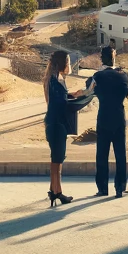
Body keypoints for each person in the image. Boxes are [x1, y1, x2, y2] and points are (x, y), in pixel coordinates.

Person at [43, 49, 91, 206]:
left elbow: (59, 99)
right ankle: (58, 193)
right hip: (57, 124)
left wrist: (72, 95)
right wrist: (80, 100)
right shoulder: (55, 80)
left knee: (57, 159)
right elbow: (60, 104)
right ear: (62, 63)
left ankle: (53, 190)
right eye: (68, 62)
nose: (70, 65)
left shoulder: (53, 79)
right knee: (57, 160)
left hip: (54, 123)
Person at [86, 45, 128, 198]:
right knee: (120, 154)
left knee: (102, 154)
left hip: (103, 117)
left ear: (101, 58)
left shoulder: (97, 76)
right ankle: (120, 188)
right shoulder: (124, 75)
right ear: (114, 57)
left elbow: (89, 90)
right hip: (119, 117)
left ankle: (102, 189)